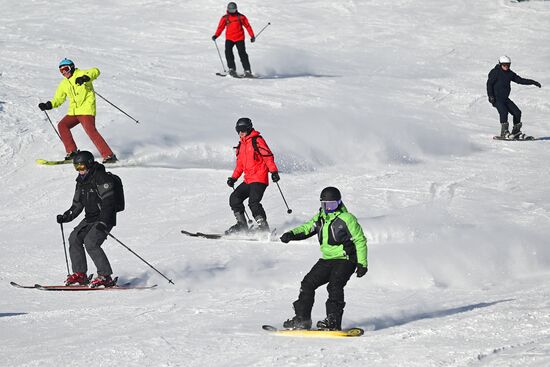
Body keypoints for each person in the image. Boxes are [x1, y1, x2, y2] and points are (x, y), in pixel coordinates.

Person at [279, 187, 368, 331]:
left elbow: (360, 240)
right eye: (326, 205)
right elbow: (307, 228)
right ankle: (302, 319)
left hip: (346, 259)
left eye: (333, 204)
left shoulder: (347, 218)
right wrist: (291, 234)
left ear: (339, 203)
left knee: (334, 285)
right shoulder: (320, 217)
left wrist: (362, 263)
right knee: (308, 283)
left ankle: (333, 321)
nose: (329, 208)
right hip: (327, 259)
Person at [56, 151, 118, 287]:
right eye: (76, 168)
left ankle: (105, 276)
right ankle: (80, 274)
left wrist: (103, 221)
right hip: (90, 218)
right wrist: (67, 216)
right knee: (74, 238)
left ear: (89, 165)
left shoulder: (101, 177)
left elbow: (109, 202)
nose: (80, 170)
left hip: (104, 218)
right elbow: (77, 204)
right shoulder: (81, 181)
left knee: (91, 242)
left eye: (82, 167)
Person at [38, 58, 118, 163]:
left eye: (66, 69)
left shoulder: (81, 73)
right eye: (61, 71)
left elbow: (96, 71)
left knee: (90, 131)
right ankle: (72, 152)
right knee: (62, 125)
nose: (64, 72)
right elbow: (59, 99)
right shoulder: (64, 83)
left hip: (86, 109)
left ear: (71, 67)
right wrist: (48, 105)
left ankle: (109, 155)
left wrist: (85, 78)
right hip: (74, 112)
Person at [226, 117, 279, 234]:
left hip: (259, 178)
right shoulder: (241, 145)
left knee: (253, 202)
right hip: (248, 180)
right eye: (238, 130)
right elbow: (239, 165)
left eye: (243, 129)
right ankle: (242, 225)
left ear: (249, 128)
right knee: (234, 198)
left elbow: (268, 157)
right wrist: (234, 178)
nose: (241, 132)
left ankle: (264, 227)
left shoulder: (257, 140)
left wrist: (274, 172)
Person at [487, 55, 542, 139]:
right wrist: (490, 96)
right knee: (504, 112)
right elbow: (489, 84)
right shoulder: (495, 72)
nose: (506, 67)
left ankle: (516, 132)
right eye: (504, 65)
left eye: (508, 65)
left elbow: (520, 80)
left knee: (517, 112)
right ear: (500, 64)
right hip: (496, 98)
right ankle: (504, 132)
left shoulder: (510, 73)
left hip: (505, 99)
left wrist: (533, 82)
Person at [212, 2, 255, 78]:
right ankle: (232, 69)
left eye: (233, 10)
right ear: (227, 9)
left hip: (239, 38)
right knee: (228, 52)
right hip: (229, 38)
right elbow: (220, 27)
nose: (232, 12)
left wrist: (252, 36)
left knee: (242, 54)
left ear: (236, 9)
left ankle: (247, 70)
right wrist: (216, 35)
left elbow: (248, 26)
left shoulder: (241, 17)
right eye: (230, 10)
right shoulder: (225, 18)